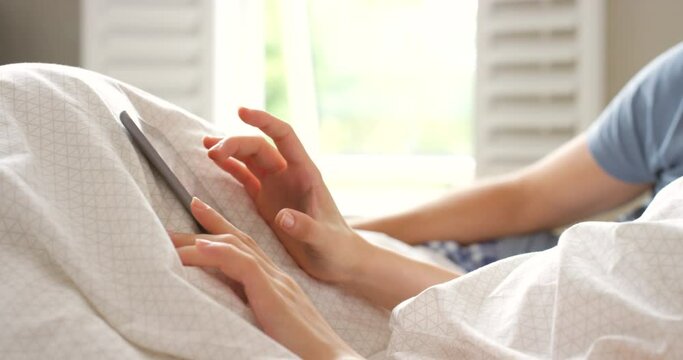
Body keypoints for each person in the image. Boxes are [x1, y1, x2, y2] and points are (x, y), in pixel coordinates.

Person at [169, 41, 683, 358]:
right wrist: (355, 237)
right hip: (477, 273)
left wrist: (328, 343)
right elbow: (528, 200)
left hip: (481, 300)